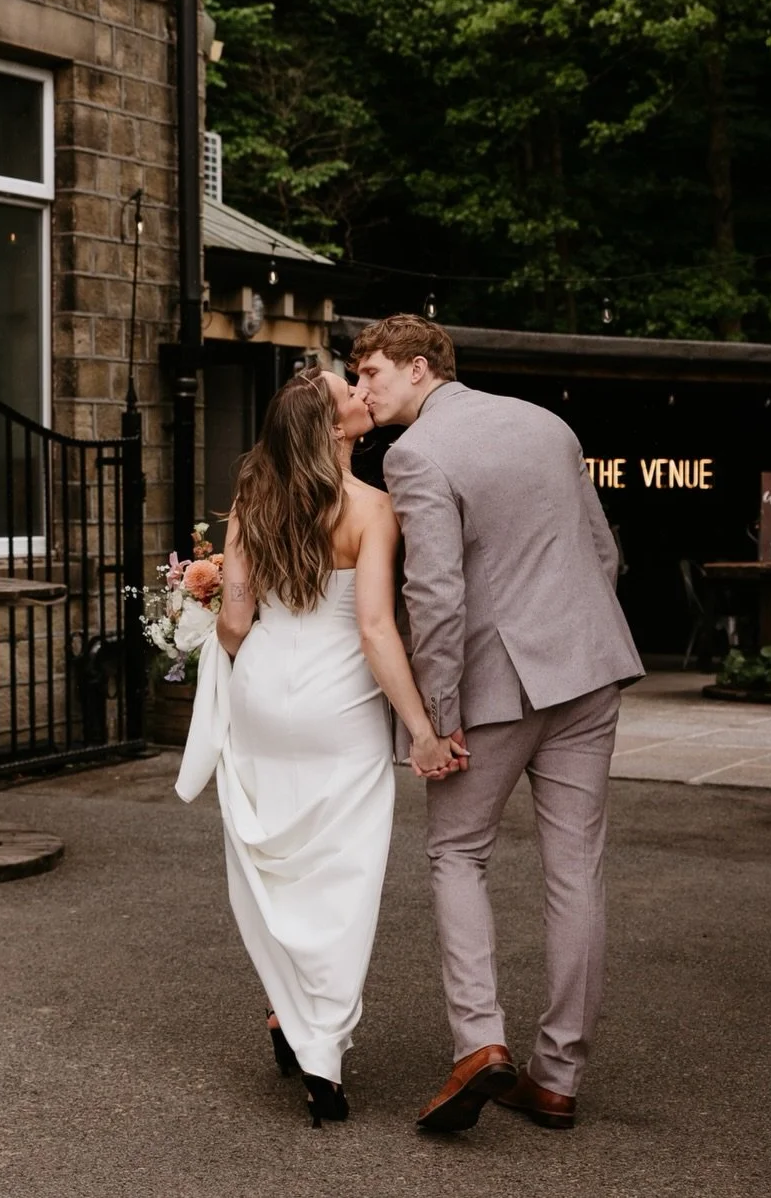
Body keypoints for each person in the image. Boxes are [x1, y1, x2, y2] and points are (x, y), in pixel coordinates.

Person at [353, 314, 645, 1134]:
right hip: (589, 667)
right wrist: (575, 630)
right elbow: (604, 552)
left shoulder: (415, 455)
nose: (364, 388)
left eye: (371, 372)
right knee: (575, 869)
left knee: (456, 853)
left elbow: (436, 597)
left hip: (497, 686)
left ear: (419, 367)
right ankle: (557, 1077)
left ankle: (480, 1044)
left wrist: (434, 722)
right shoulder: (548, 423)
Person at [175, 366, 459, 1128]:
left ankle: (286, 1013)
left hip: (263, 692)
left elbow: (234, 623)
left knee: (277, 866)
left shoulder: (251, 506)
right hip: (339, 706)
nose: (361, 397)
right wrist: (424, 733)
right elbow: (374, 630)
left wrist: (246, 668)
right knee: (343, 878)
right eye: (347, 396)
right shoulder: (372, 508)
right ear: (333, 431)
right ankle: (322, 1054)